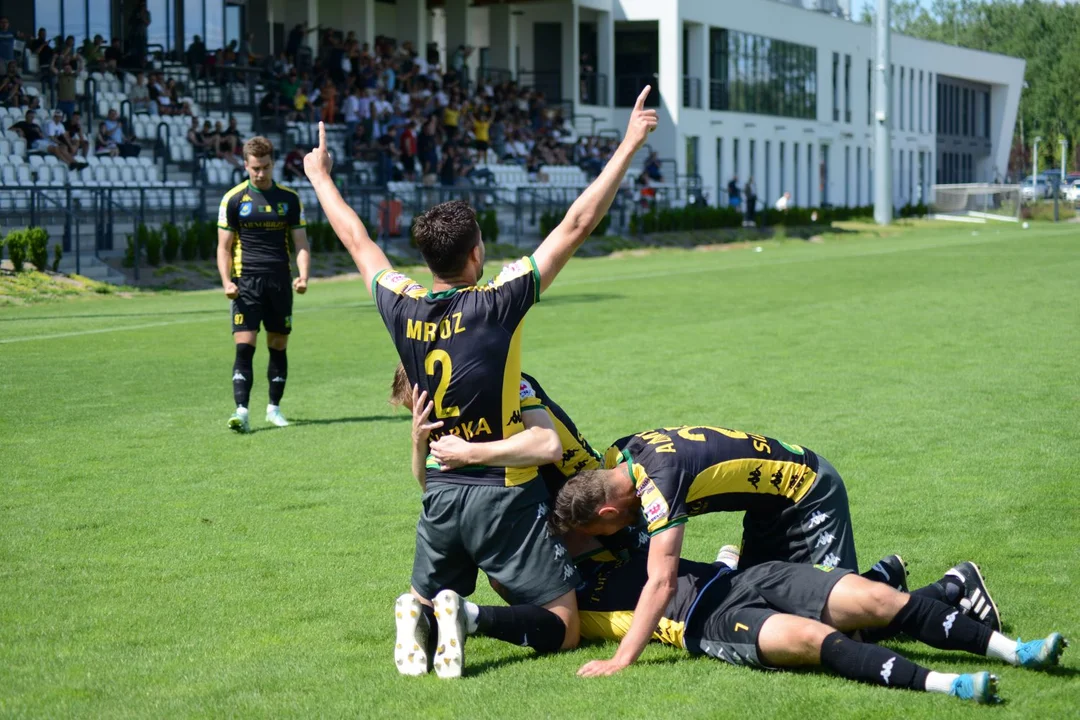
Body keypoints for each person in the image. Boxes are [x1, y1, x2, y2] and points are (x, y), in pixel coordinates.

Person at [302, 85, 659, 680]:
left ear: (427, 260)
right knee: (562, 625)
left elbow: (357, 241)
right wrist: (626, 145)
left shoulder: (402, 304)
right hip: (502, 492)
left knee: (435, 578)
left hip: (439, 491)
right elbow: (575, 224)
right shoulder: (498, 301)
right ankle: (465, 616)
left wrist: (319, 177)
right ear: (478, 253)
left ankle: (416, 608)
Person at [551, 424, 1002, 675]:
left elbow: (662, 581)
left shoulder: (658, 486)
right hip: (767, 508)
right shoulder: (620, 456)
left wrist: (621, 658)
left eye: (598, 530)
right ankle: (884, 581)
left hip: (805, 495)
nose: (605, 538)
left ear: (609, 510)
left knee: (836, 631)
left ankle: (951, 589)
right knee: (771, 605)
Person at [567, 537, 1066, 698]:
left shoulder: (619, 538)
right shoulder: (576, 607)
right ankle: (951, 683)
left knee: (876, 601)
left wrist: (725, 561)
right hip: (711, 624)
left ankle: (1019, 651)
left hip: (749, 578)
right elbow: (546, 624)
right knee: (815, 638)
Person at [216, 137, 310, 432]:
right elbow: (223, 247)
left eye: (266, 167)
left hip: (280, 282)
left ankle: (274, 408)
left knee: (278, 345)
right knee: (245, 348)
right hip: (246, 283)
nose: (260, 173)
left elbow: (301, 243)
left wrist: (303, 275)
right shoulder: (234, 199)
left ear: (273, 164)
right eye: (255, 168)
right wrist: (227, 281)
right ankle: (241, 411)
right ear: (246, 165)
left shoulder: (290, 199)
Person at [10, 109, 86, 169]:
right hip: (34, 143)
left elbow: (43, 135)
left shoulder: (36, 125)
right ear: (26, 116)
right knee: (56, 148)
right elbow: (10, 129)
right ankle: (69, 164)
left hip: (42, 141)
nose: (31, 118)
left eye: (32, 117)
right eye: (30, 116)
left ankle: (75, 162)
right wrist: (19, 130)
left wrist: (40, 134)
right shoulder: (21, 124)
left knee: (63, 148)